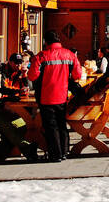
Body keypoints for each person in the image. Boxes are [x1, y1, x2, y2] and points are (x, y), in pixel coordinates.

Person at [28, 31, 83, 162]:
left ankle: (55, 154)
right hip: (62, 95)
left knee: (51, 126)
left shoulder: (41, 56)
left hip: (45, 96)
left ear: (45, 42)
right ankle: (64, 152)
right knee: (61, 124)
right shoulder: (69, 55)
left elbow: (32, 76)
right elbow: (77, 75)